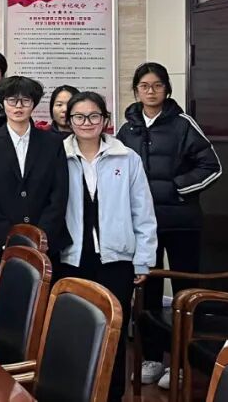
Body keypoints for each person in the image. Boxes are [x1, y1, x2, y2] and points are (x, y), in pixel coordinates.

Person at [115, 63, 221, 389]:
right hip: (142, 226)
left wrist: (176, 189)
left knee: (185, 292)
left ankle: (183, 361)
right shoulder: (127, 129)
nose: (151, 91)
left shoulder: (182, 124)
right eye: (144, 86)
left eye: (157, 85)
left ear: (167, 89)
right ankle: (152, 357)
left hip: (181, 223)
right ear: (136, 90)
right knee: (146, 289)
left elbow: (212, 166)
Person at [60, 91, 157, 402]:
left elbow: (142, 211)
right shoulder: (58, 156)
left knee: (113, 329)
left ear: (105, 120)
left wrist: (143, 259)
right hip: (71, 258)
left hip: (116, 259)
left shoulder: (127, 158)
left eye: (94, 116)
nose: (86, 122)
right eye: (79, 116)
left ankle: (112, 394)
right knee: (74, 329)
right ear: (69, 121)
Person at [0, 75, 69, 284]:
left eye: (25, 100)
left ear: (34, 104)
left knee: (43, 301)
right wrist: (9, 237)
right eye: (12, 100)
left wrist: (40, 238)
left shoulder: (52, 143)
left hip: (46, 246)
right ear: (2, 102)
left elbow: (59, 193)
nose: (18, 106)